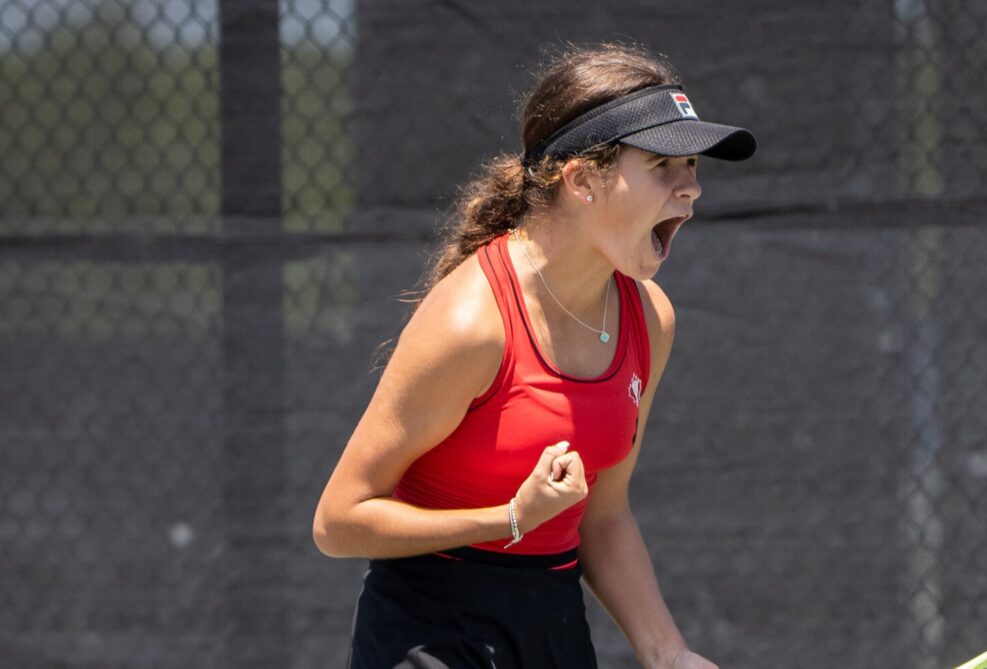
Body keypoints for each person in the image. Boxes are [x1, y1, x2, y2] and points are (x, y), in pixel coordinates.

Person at [312, 43, 755, 669]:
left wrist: (669, 653)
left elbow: (604, 515)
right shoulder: (470, 324)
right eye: (662, 165)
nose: (692, 188)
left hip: (552, 618)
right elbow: (339, 521)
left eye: (690, 165)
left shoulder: (649, 319)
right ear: (582, 180)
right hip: (430, 628)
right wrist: (508, 518)